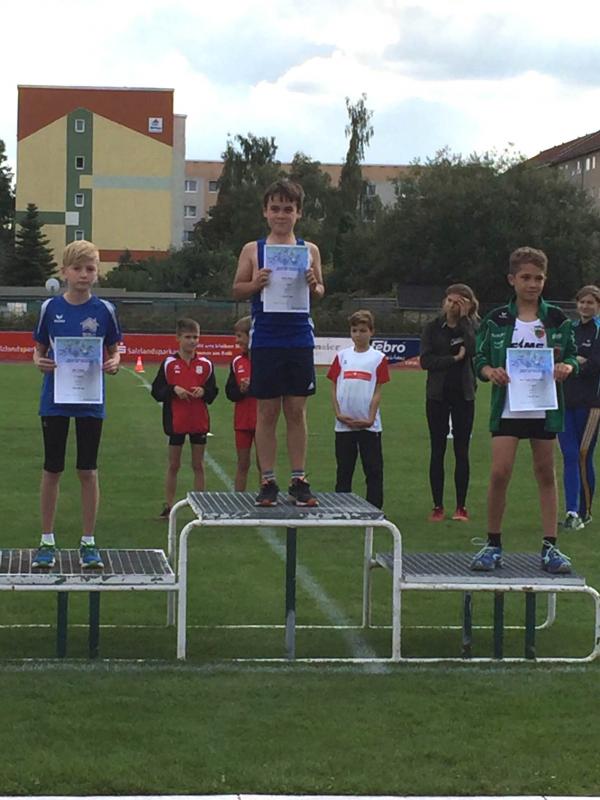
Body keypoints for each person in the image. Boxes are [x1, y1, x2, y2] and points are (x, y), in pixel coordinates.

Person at [471, 246, 578, 573]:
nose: (533, 284)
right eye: (526, 277)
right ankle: (492, 544)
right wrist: (490, 372)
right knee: (499, 472)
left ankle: (550, 546)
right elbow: (479, 359)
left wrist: (567, 367)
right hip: (508, 409)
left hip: (544, 408)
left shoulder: (557, 319)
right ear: (512, 279)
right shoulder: (497, 320)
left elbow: (571, 356)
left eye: (539, 278)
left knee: (546, 473)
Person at [232, 179, 325, 507]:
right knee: (267, 411)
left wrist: (313, 284)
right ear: (265, 212)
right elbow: (236, 289)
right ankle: (268, 480)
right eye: (275, 208)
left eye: (288, 209)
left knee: (296, 410)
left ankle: (299, 479)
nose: (281, 215)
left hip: (298, 337)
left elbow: (320, 290)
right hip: (267, 338)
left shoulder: (309, 249)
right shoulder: (253, 250)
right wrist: (255, 283)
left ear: (299, 213)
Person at [32, 240, 121, 569]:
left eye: (90, 268)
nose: (84, 274)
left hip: (89, 400)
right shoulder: (50, 308)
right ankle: (47, 539)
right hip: (55, 400)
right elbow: (39, 349)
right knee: (52, 468)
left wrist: (114, 362)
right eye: (77, 268)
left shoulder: (105, 310)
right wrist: (39, 361)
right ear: (64, 272)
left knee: (87, 469)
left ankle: (88, 541)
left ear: (97, 273)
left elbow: (115, 349)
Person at [419, 284, 479, 522]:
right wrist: (453, 359)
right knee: (438, 449)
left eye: (459, 302)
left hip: (464, 395)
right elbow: (426, 361)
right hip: (438, 396)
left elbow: (475, 351)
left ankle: (461, 506)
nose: (453, 306)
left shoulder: (473, 326)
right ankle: (438, 506)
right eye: (450, 301)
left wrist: (465, 322)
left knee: (462, 451)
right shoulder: (433, 328)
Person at [151, 318, 218, 518]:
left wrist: (203, 391)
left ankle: (201, 506)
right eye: (188, 337)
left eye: (196, 337)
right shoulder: (169, 364)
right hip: (176, 421)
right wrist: (173, 389)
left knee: (198, 465)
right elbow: (156, 391)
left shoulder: (206, 364)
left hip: (198, 421)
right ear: (178, 338)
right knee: (174, 465)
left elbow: (213, 392)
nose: (192, 341)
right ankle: (169, 505)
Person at [327, 309, 390, 508]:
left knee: (373, 470)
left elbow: (377, 390)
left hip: (369, 426)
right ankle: (341, 509)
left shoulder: (378, 358)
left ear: (371, 332)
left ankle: (375, 510)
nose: (358, 335)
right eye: (354, 330)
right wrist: (338, 413)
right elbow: (334, 386)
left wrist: (370, 418)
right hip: (344, 425)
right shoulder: (342, 356)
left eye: (363, 331)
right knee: (344, 470)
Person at [558, 285, 600, 529]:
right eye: (582, 302)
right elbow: (558, 357)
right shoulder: (570, 329)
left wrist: (573, 365)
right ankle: (571, 512)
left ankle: (584, 512)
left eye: (590, 302)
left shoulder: (598, 331)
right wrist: (576, 362)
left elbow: (595, 365)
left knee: (583, 455)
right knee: (569, 455)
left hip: (591, 403)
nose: (585, 306)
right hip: (565, 400)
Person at [225, 316, 258, 491]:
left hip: (263, 422)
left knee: (264, 465)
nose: (237, 341)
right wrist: (241, 390)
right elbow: (230, 392)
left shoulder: (265, 361)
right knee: (242, 464)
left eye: (240, 336)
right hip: (242, 422)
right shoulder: (237, 361)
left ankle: (266, 497)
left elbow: (275, 390)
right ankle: (237, 499)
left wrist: (255, 385)